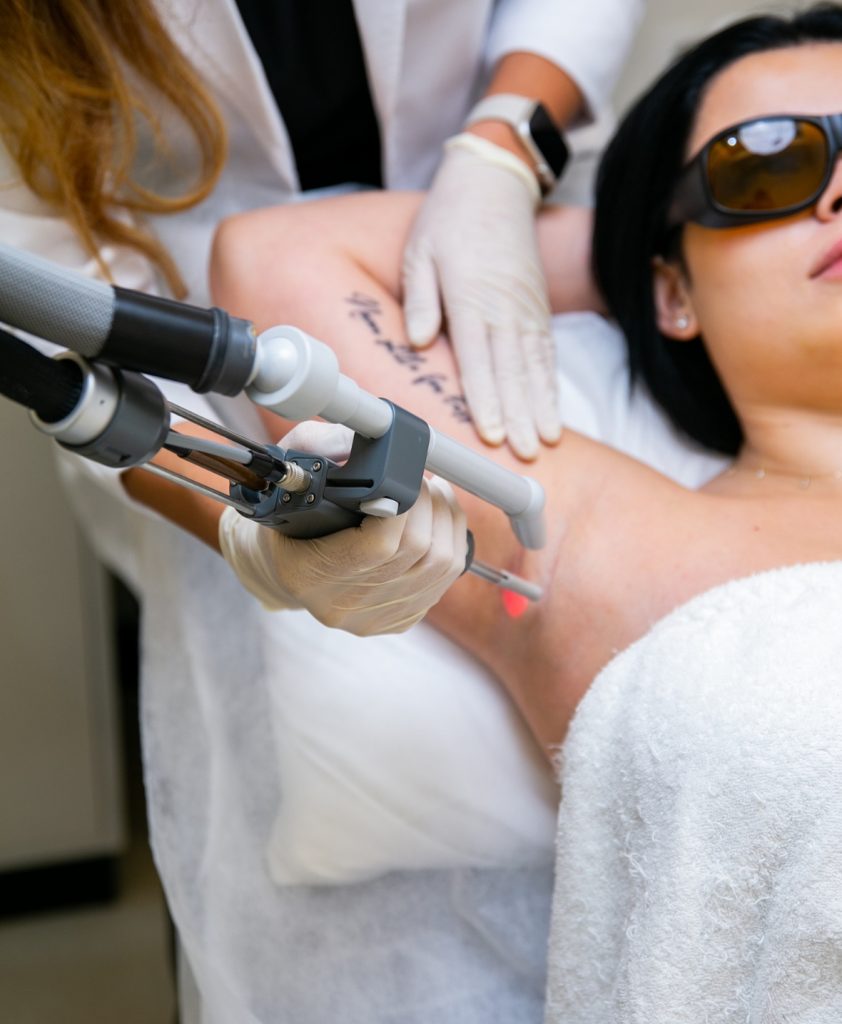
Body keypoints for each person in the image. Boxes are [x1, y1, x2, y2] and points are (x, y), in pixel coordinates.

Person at [0, 3, 650, 1020]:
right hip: (200, 368)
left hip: (494, 221)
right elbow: (62, 308)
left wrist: (501, 141)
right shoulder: (262, 259)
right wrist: (243, 528)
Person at [206, 5, 842, 1018]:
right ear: (671, 293)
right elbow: (273, 262)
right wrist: (618, 239)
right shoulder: (598, 536)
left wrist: (720, 228)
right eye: (761, 167)